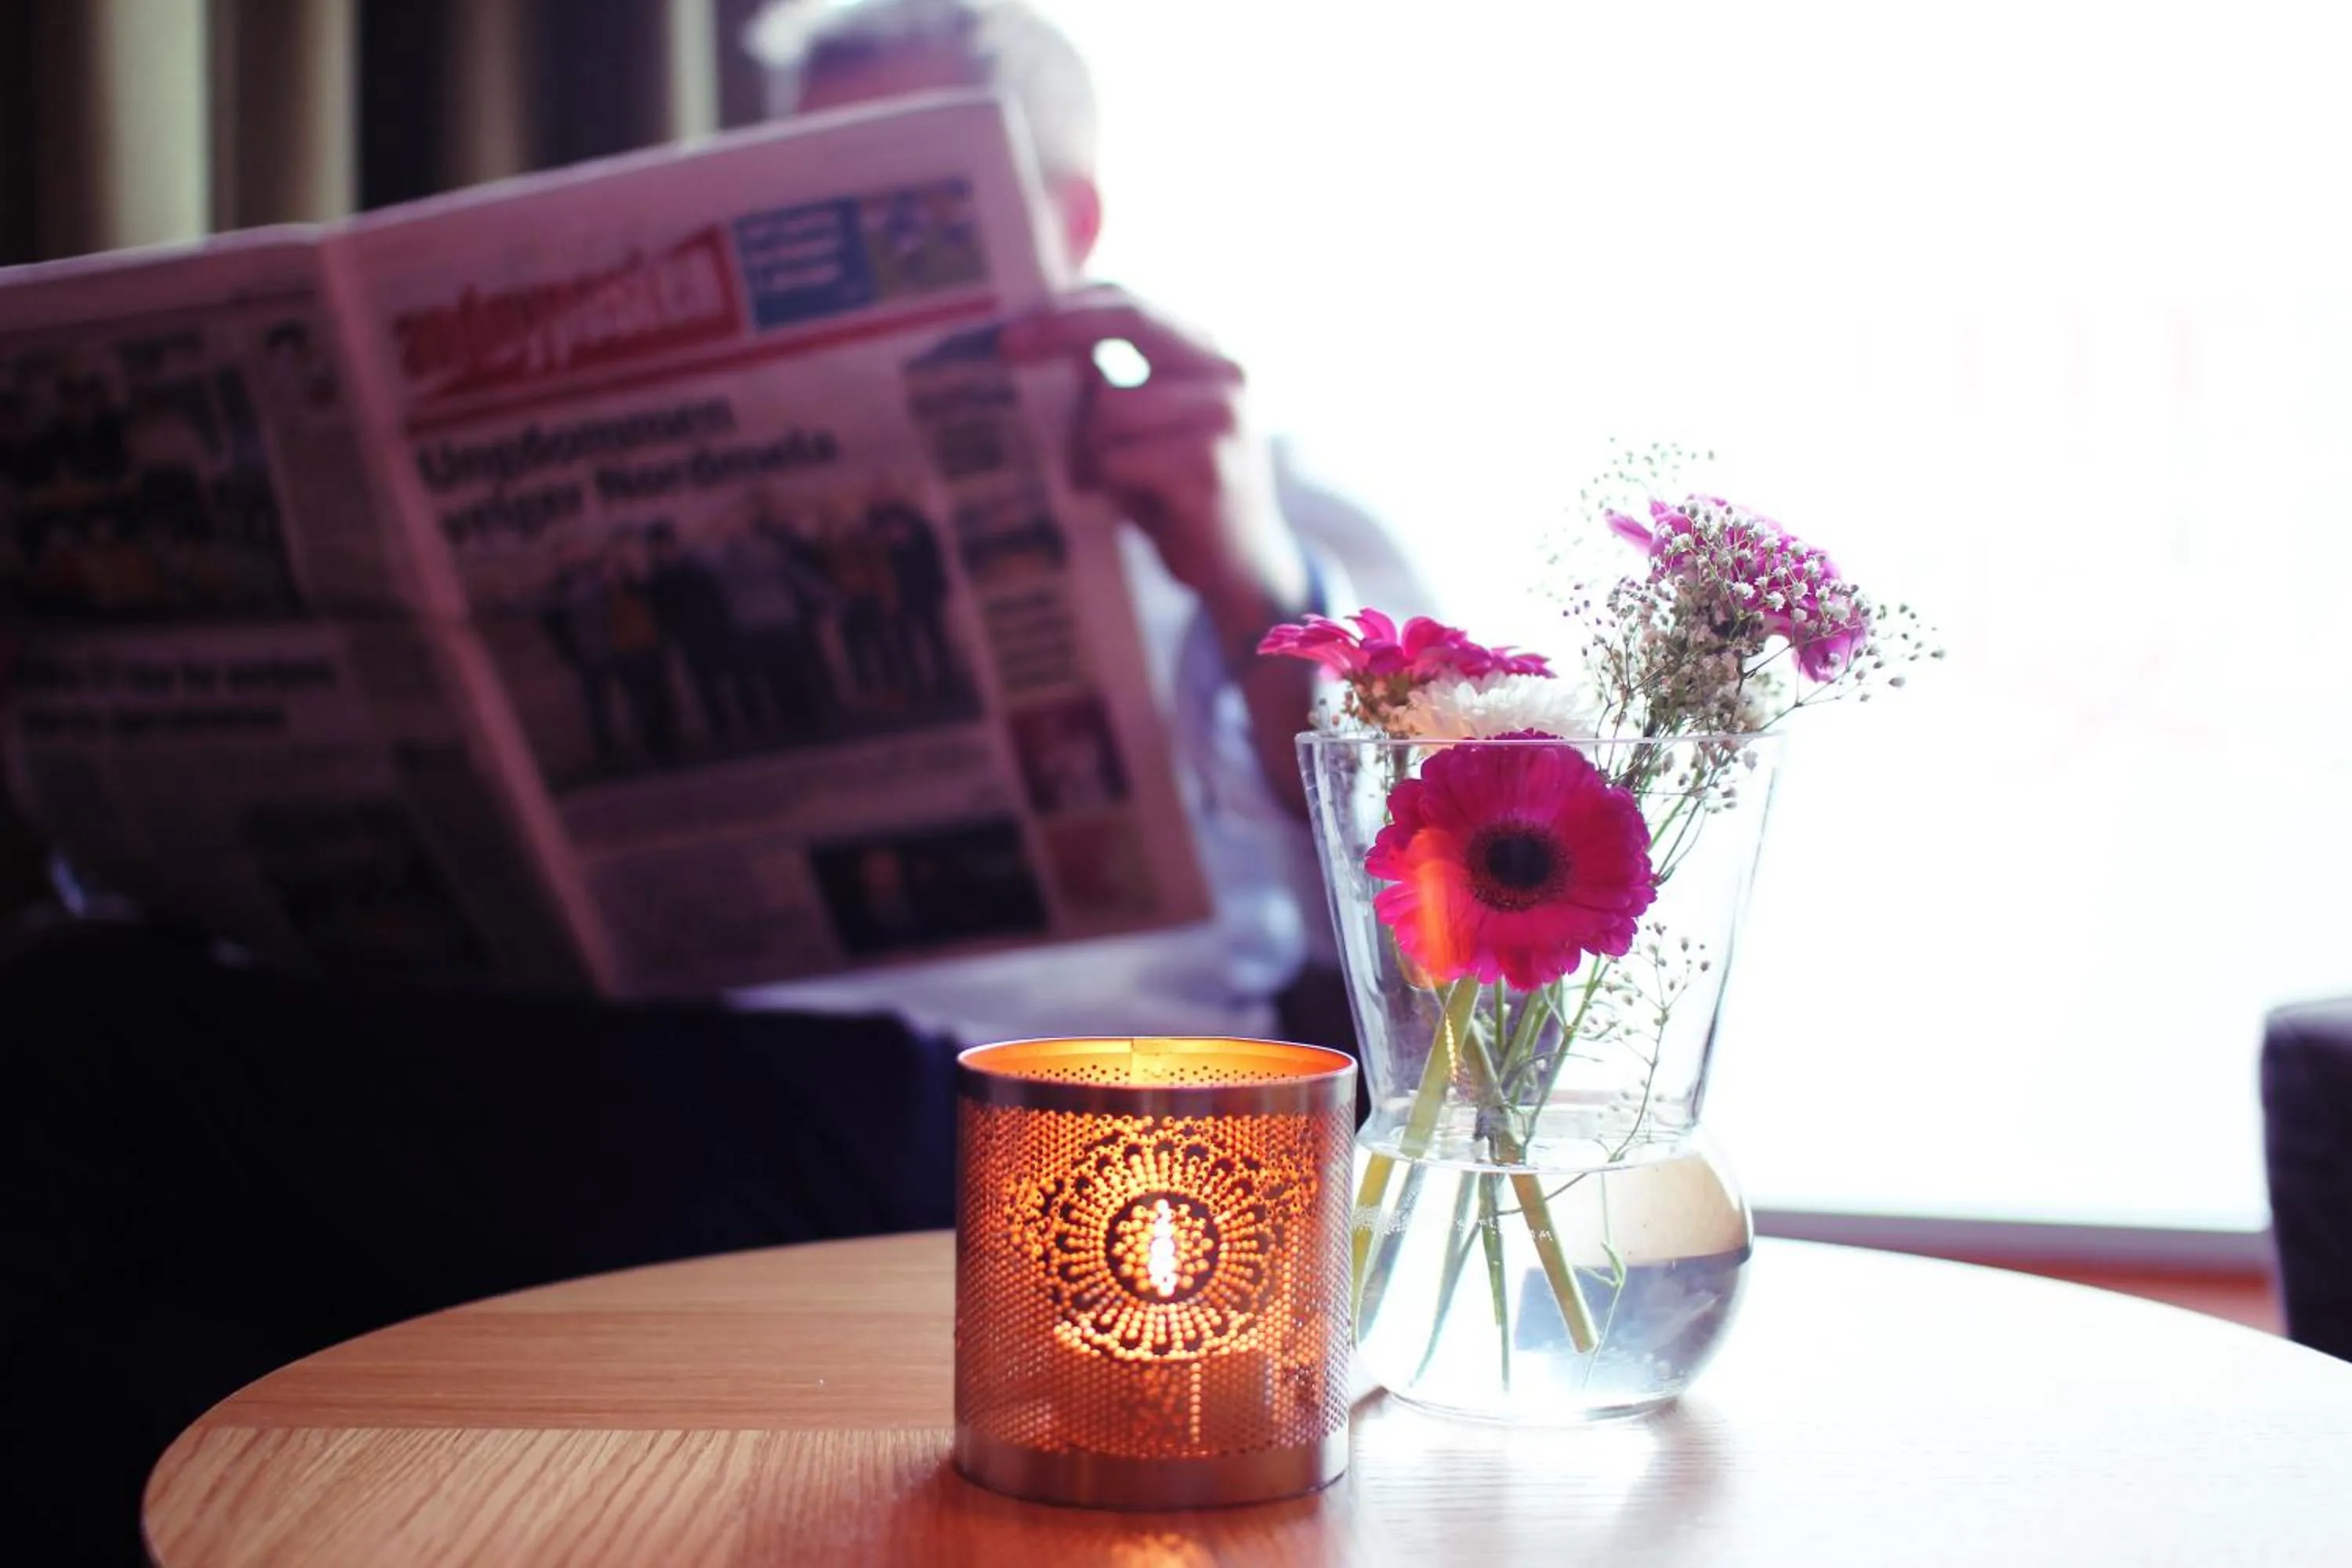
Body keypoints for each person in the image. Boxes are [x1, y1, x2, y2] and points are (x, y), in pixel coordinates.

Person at [0, 5, 1435, 1559]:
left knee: (81, 1043)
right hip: (625, 1054)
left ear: (1068, 218)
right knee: (110, 1076)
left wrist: (1244, 573)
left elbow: (1435, 893)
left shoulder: (1263, 496)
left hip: (990, 1120)